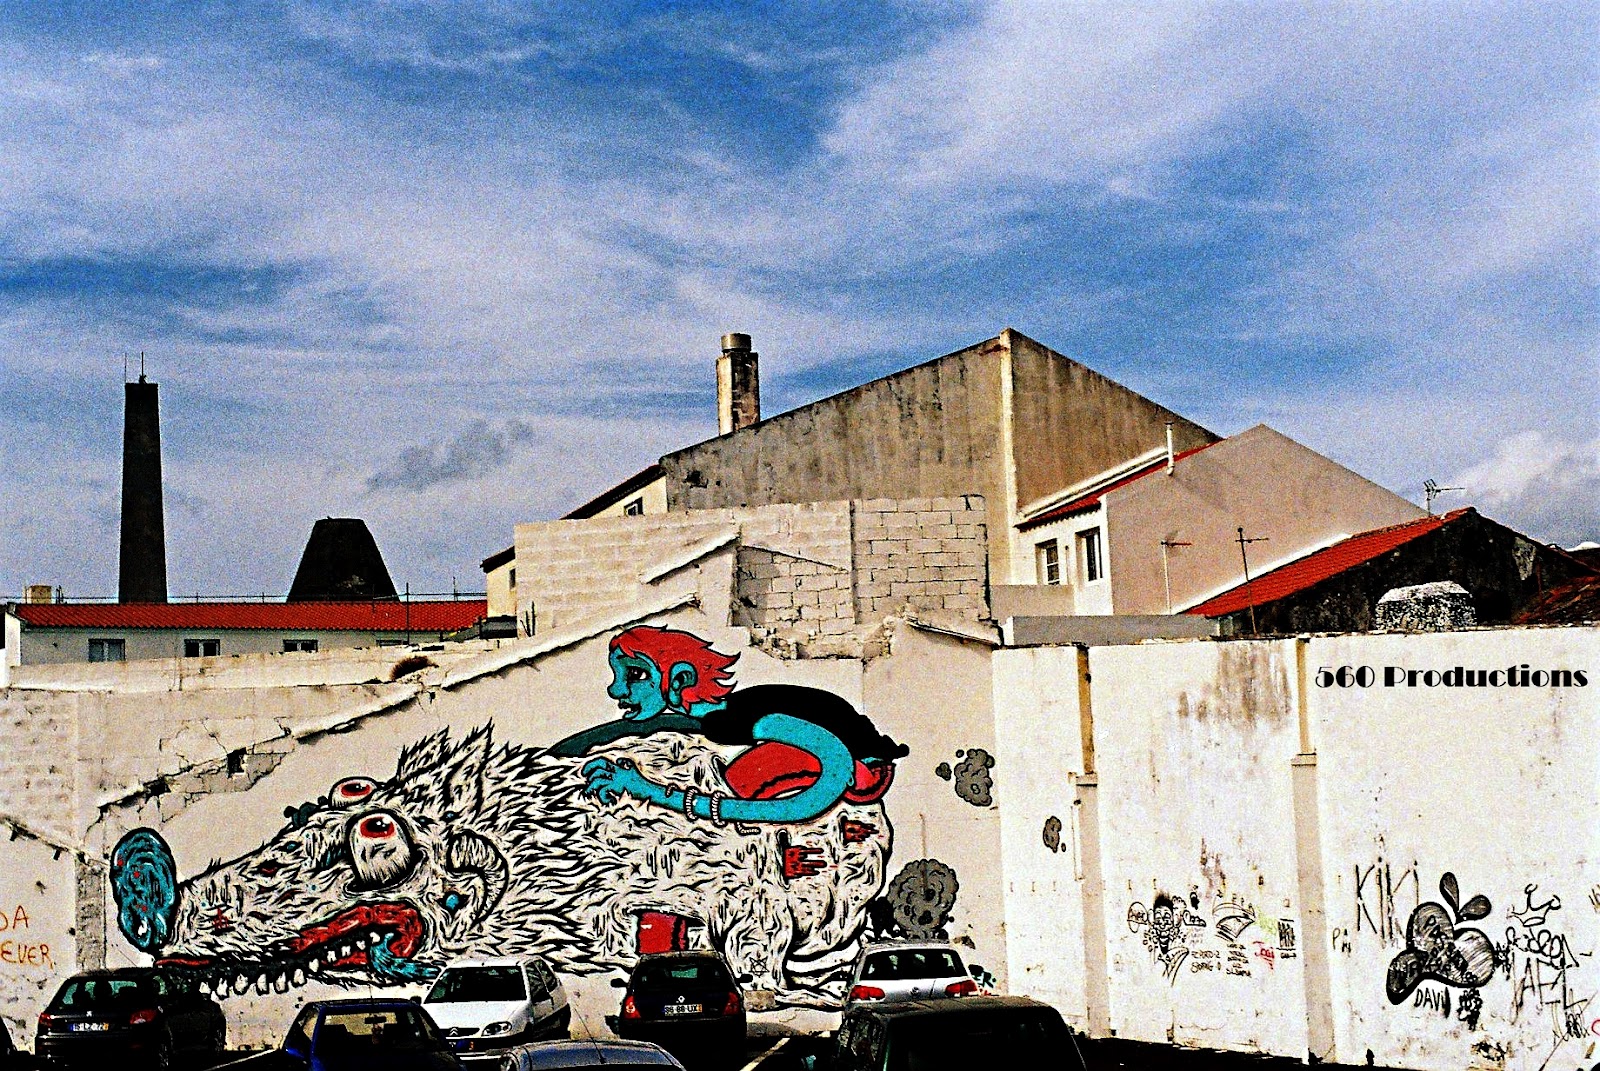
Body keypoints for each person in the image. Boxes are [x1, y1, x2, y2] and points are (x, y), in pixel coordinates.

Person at [552, 625, 906, 825]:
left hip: (863, 770)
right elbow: (669, 724)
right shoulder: (720, 720)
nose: (616, 690)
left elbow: (835, 768)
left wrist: (651, 791)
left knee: (739, 777)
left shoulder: (753, 718)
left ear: (680, 679)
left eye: (636, 674)